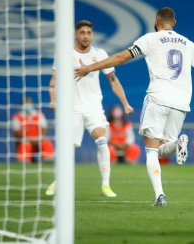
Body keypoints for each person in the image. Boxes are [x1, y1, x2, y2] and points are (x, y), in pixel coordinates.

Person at [75, 7, 194, 206]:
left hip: (157, 98)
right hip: (181, 103)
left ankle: (160, 196)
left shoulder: (149, 39)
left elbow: (120, 58)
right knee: (164, 148)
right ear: (174, 23)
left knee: (151, 151)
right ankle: (177, 144)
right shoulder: (188, 44)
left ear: (157, 21)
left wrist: (89, 67)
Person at [46, 20, 134, 198]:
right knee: (68, 148)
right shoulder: (64, 54)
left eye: (89, 33)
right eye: (82, 32)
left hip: (94, 106)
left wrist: (125, 103)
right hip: (72, 109)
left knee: (102, 140)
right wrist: (53, 100)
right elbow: (54, 81)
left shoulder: (99, 54)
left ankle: (106, 186)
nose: (86, 36)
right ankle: (59, 181)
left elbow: (112, 80)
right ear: (75, 34)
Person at [12, 96, 54, 162]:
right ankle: (24, 161)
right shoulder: (17, 117)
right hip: (25, 141)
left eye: (29, 103)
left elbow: (44, 129)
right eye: (25, 103)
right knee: (26, 145)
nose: (28, 104)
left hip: (38, 140)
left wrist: (39, 139)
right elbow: (17, 133)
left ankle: (48, 160)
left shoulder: (39, 115)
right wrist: (29, 139)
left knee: (46, 143)